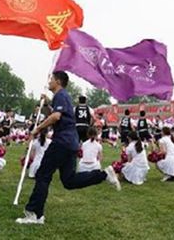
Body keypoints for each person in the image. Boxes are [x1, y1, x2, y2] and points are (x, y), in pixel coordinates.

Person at [16, 71, 120, 225]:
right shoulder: (62, 97)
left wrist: (37, 129)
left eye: (51, 79)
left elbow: (56, 117)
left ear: (58, 81)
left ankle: (35, 214)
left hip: (62, 142)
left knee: (43, 175)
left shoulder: (61, 95)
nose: (49, 82)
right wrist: (49, 102)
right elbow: (61, 113)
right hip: (71, 143)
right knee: (69, 180)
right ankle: (104, 175)